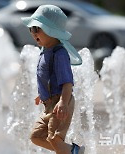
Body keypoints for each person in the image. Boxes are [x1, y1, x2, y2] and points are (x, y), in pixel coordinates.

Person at [21, 5, 85, 154]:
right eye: (31, 29)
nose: (33, 33)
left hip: (60, 102)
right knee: (36, 136)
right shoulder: (45, 52)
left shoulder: (59, 53)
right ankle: (73, 151)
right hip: (49, 103)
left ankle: (71, 151)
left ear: (52, 31)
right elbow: (47, 78)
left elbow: (67, 82)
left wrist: (63, 101)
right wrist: (42, 93)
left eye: (37, 29)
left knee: (54, 138)